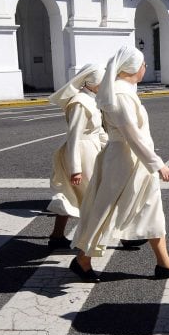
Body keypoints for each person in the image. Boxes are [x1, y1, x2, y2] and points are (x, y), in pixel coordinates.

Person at [69, 45, 169, 282]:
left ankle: (164, 263)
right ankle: (82, 260)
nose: (145, 67)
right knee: (107, 210)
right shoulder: (121, 94)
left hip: (136, 160)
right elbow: (131, 135)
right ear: (135, 67)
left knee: (152, 209)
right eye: (144, 64)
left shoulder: (123, 90)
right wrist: (158, 164)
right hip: (125, 161)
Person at [46, 63, 107, 250]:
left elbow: (98, 131)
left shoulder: (92, 99)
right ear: (92, 82)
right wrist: (75, 168)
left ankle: (57, 236)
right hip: (81, 153)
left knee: (71, 195)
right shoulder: (80, 102)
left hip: (92, 150)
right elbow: (74, 136)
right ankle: (87, 244)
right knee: (93, 197)